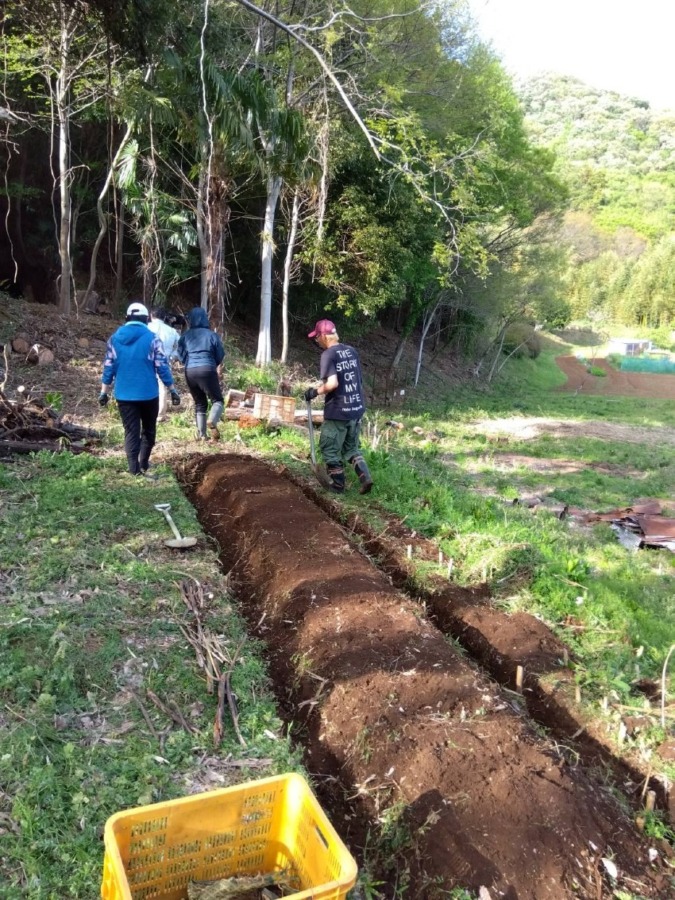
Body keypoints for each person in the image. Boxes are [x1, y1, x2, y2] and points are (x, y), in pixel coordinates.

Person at [99, 302, 180, 476]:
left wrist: (103, 392)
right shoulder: (152, 338)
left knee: (130, 431)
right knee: (149, 430)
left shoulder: (114, 339)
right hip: (148, 394)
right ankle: (143, 463)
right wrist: (172, 389)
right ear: (146, 319)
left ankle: (133, 469)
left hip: (124, 394)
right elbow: (162, 366)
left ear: (127, 318)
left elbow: (109, 367)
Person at [304, 318, 373, 494]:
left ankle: (338, 485)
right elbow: (358, 380)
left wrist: (315, 392)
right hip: (356, 409)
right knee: (351, 449)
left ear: (323, 336)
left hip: (339, 411)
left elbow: (332, 383)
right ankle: (365, 477)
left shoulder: (328, 355)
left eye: (317, 337)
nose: (316, 341)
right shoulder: (351, 351)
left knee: (330, 448)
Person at [176, 307, 225, 440]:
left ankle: (202, 435)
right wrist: (211, 364)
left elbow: (180, 355)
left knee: (200, 403)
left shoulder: (185, 336)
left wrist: (189, 363)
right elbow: (220, 354)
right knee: (218, 400)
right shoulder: (211, 335)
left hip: (190, 371)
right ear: (205, 318)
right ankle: (213, 420)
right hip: (207, 368)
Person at [148, 306, 180, 421]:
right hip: (165, 361)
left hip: (148, 361)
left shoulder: (147, 328)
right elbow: (179, 345)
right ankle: (160, 414)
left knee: (147, 384)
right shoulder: (172, 331)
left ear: (151, 316)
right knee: (162, 386)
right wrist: (172, 355)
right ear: (164, 317)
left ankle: (147, 410)